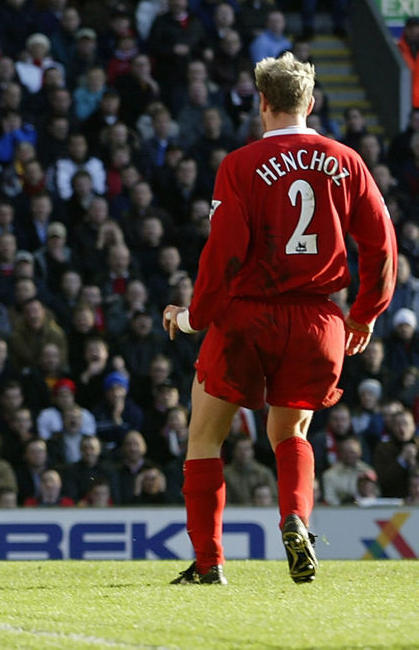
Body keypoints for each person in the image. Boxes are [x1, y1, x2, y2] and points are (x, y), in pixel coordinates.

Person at [162, 52, 396, 586]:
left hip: (248, 316)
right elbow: (381, 243)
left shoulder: (240, 165)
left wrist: (195, 317)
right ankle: (295, 518)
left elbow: (224, 250)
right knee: (290, 431)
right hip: (318, 319)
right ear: (310, 104)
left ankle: (209, 562)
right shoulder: (346, 160)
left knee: (205, 437)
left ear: (261, 103)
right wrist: (365, 314)